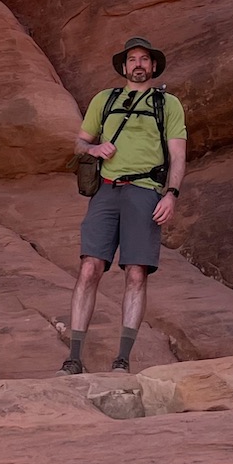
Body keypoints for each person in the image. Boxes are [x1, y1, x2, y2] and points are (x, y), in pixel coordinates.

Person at [61, 36, 187, 374]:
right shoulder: (105, 99)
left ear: (154, 66)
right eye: (133, 59)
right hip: (106, 191)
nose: (139, 64)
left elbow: (178, 155)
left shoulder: (168, 104)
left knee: (136, 273)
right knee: (90, 268)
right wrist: (93, 150)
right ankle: (73, 357)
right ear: (124, 66)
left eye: (145, 59)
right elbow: (78, 143)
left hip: (145, 191)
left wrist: (171, 193)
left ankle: (122, 360)